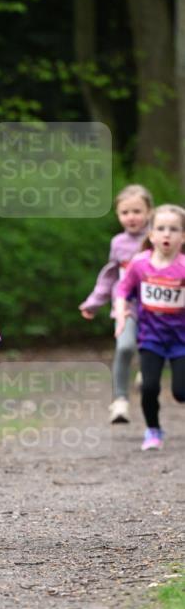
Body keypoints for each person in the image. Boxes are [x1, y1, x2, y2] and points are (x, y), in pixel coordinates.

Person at [79, 184, 153, 423]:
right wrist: (93, 302)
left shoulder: (159, 237)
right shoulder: (118, 243)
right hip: (126, 307)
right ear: (118, 215)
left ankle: (147, 374)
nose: (131, 217)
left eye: (137, 211)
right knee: (124, 347)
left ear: (149, 212)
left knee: (150, 348)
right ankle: (120, 401)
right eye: (125, 212)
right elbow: (110, 275)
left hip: (157, 309)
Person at [114, 203, 185, 451]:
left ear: (183, 236)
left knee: (181, 392)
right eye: (161, 228)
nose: (167, 234)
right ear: (151, 234)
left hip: (180, 340)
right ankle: (153, 430)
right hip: (151, 338)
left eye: (174, 229)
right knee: (149, 387)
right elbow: (123, 289)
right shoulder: (140, 264)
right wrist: (122, 312)